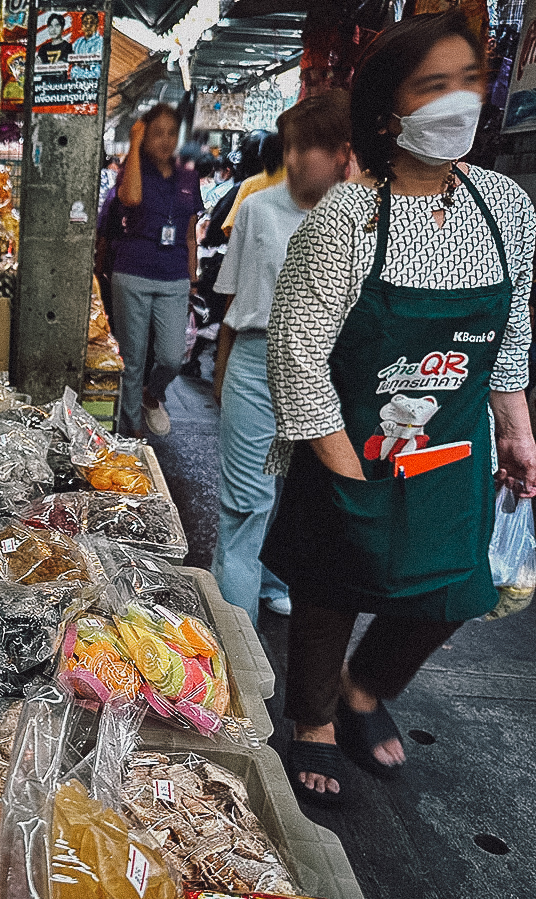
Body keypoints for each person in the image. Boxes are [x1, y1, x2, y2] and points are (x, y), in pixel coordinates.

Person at [261, 10, 536, 807]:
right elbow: (297, 354)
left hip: (453, 448)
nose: (459, 101)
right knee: (328, 585)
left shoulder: (508, 209)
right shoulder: (348, 219)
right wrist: (346, 468)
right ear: (389, 111)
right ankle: (311, 718)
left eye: (469, 82)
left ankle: (364, 687)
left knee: (455, 589)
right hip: (350, 443)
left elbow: (509, 335)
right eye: (433, 86)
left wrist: (517, 433)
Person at [210, 90, 353, 628]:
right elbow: (234, 303)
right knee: (245, 507)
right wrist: (225, 375)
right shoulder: (257, 210)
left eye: (306, 149)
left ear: (342, 153)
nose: (292, 161)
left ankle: (273, 582)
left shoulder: (365, 218)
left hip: (328, 376)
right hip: (257, 362)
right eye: (289, 147)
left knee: (297, 500)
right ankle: (235, 636)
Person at [101, 103, 202, 437]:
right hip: (133, 273)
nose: (165, 140)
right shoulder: (133, 168)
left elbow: (189, 233)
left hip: (174, 277)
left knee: (173, 357)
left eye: (171, 133)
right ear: (144, 135)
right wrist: (133, 144)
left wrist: (193, 276)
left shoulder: (188, 174)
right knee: (132, 360)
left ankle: (152, 394)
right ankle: (131, 438)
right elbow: (129, 198)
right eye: (156, 133)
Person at [71, 10, 103, 81]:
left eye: (92, 23)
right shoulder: (78, 42)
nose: (88, 26)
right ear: (82, 25)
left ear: (97, 25)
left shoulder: (101, 42)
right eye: (85, 23)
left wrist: (80, 65)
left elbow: (96, 72)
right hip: (76, 82)